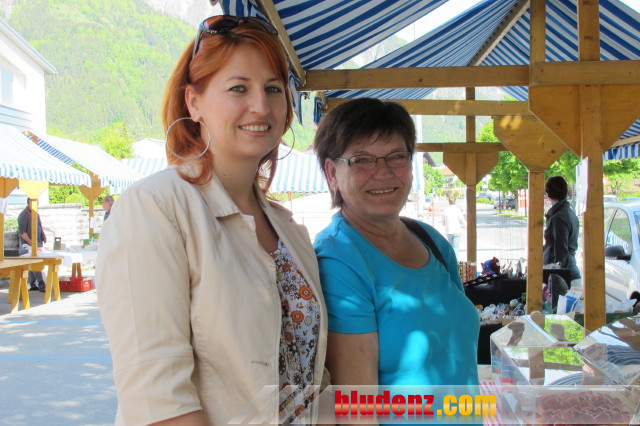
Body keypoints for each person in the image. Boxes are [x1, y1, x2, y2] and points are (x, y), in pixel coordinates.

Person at [96, 15, 326, 425]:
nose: (261, 105)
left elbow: (312, 378)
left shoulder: (290, 230)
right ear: (194, 102)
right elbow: (159, 404)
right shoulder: (155, 208)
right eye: (239, 88)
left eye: (273, 88)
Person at [313, 98, 479, 391]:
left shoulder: (432, 241)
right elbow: (357, 406)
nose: (383, 171)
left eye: (397, 156)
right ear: (332, 173)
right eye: (362, 159)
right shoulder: (339, 260)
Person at [544, 175, 581, 294]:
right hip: (569, 272)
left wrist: (557, 277)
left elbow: (561, 250)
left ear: (548, 193)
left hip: (565, 277)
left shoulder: (558, 217)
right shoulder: (569, 212)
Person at [17, 199, 47, 292]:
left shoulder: (35, 213)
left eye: (37, 203)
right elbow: (22, 232)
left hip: (37, 241)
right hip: (28, 244)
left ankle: (32, 284)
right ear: (29, 203)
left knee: (34, 263)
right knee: (35, 263)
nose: (36, 204)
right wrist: (32, 243)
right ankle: (41, 284)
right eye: (34, 203)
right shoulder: (23, 215)